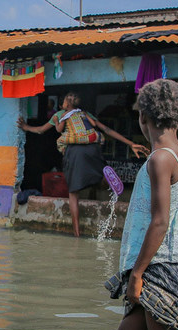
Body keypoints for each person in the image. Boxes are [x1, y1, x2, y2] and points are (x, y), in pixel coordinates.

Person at [110, 78, 178, 330]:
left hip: (160, 266)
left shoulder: (161, 159)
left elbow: (160, 220)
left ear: (143, 117)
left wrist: (137, 274)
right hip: (163, 262)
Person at [18, 91, 148, 236]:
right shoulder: (85, 114)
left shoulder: (60, 115)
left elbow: (41, 130)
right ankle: (105, 177)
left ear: (62, 105)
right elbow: (106, 129)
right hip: (93, 149)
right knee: (96, 174)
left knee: (73, 193)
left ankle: (77, 234)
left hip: (75, 152)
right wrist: (130, 144)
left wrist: (26, 127)